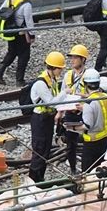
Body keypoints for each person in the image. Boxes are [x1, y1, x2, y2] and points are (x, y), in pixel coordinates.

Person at [27, 52, 65, 183]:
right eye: (60, 68)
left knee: (46, 149)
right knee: (39, 149)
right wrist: (65, 93)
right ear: (54, 67)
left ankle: (40, 178)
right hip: (40, 120)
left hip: (47, 118)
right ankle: (33, 179)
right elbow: (51, 102)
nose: (61, 71)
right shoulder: (41, 83)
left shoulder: (52, 79)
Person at [0, 0, 35, 86]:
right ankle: (20, 80)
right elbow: (29, 22)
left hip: (10, 32)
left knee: (12, 52)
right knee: (24, 55)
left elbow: (1, 11)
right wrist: (32, 35)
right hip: (21, 33)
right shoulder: (26, 4)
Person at [55, 44, 90, 173]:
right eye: (72, 57)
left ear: (83, 59)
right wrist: (59, 113)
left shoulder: (89, 76)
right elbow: (62, 96)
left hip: (83, 112)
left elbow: (94, 95)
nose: (72, 60)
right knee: (71, 145)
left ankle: (87, 167)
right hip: (70, 113)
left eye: (76, 57)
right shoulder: (68, 76)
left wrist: (82, 96)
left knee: (88, 140)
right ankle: (73, 169)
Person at [79, 68, 107, 174]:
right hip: (105, 139)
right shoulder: (106, 97)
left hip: (92, 143)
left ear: (85, 84)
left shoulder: (89, 102)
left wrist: (72, 127)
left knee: (88, 172)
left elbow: (87, 125)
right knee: (101, 171)